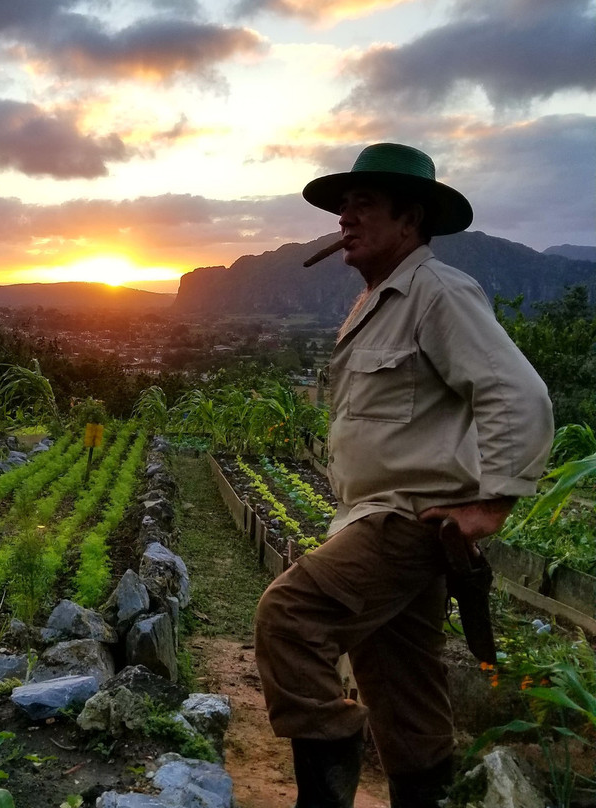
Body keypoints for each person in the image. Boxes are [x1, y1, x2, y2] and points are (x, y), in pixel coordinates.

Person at [253, 143, 554, 807]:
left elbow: (518, 394)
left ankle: (323, 793)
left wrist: (492, 505)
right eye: (342, 207)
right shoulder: (375, 303)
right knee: (404, 688)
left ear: (410, 219)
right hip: (384, 522)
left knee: (290, 616)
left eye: (363, 205)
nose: (344, 220)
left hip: (403, 518)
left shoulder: (437, 292)